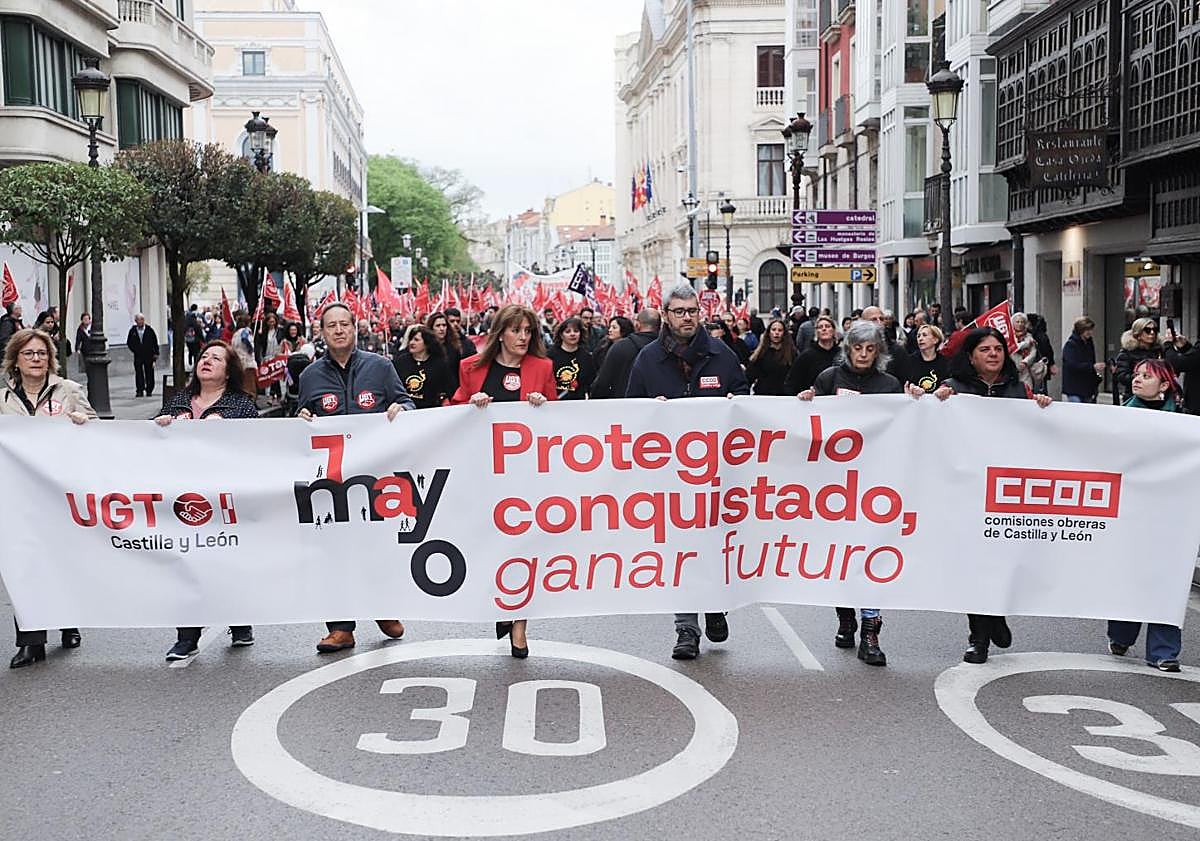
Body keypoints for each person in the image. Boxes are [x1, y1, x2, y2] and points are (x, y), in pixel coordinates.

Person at [625, 283, 749, 661]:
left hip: (715, 474)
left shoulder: (721, 355)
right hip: (669, 476)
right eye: (679, 311)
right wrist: (652, 412)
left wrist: (735, 403)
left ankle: (714, 606)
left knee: (712, 546)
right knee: (680, 552)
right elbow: (629, 410)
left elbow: (744, 398)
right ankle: (686, 629)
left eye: (692, 311)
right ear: (666, 315)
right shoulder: (648, 359)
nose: (687, 317)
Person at [296, 302, 415, 654]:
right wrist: (301, 416)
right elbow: (301, 420)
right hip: (331, 483)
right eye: (330, 325)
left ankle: (383, 610)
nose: (338, 330)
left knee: (376, 547)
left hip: (375, 478)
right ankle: (341, 627)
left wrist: (401, 409)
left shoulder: (380, 367)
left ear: (354, 327)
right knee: (333, 553)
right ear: (322, 332)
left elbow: (406, 403)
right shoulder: (310, 376)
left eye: (343, 324)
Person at [931, 327, 1053, 664]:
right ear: (971, 356)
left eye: (998, 348)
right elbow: (931, 430)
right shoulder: (953, 390)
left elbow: (1039, 433)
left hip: (1006, 494)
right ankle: (978, 636)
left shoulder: (1019, 392)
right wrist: (936, 404)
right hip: (967, 493)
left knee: (1001, 564)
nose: (993, 354)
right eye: (984, 349)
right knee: (973, 566)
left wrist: (1041, 406)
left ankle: (996, 614)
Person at [799, 321, 909, 667]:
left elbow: (904, 428)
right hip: (835, 485)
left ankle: (871, 631)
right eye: (857, 348)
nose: (863, 354)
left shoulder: (889, 385)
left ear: (879, 352)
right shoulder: (829, 380)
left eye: (870, 349)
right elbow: (811, 428)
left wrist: (915, 403)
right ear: (847, 349)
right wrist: (806, 403)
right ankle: (846, 616)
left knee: (872, 554)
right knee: (843, 556)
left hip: (876, 484)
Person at [452, 304, 557, 659]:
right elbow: (454, 412)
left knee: (524, 547)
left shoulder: (542, 368)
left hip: (526, 475)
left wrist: (544, 406)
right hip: (484, 474)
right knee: (491, 545)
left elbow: (559, 421)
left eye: (528, 331)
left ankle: (519, 625)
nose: (523, 338)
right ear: (501, 333)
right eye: (516, 331)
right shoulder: (471, 368)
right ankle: (502, 605)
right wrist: (471, 405)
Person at [155, 341, 259, 660]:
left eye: (216, 358)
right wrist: (159, 429)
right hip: (186, 499)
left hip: (226, 497)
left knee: (227, 559)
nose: (207, 361)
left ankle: (240, 620)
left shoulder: (242, 406)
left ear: (229, 372)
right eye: (203, 357)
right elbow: (150, 445)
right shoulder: (178, 403)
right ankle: (187, 637)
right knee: (187, 564)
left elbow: (258, 450)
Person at [1, 329, 96, 668]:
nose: (36, 359)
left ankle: (69, 621)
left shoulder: (68, 391)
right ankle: (31, 640)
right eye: (29, 354)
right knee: (23, 566)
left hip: (60, 493)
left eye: (42, 353)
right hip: (18, 496)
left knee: (60, 561)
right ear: (16, 359)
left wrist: (83, 423)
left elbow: (98, 430)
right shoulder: (3, 399)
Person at [1106, 359, 1185, 671]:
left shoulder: (1184, 422)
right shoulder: (1121, 416)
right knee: (1131, 573)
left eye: (1146, 376)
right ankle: (1121, 634)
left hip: (1172, 512)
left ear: (1164, 385)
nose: (1137, 379)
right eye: (1136, 375)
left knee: (1169, 577)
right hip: (1131, 508)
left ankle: (1163, 651)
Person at [590, 308, 660, 399]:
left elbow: (603, 382)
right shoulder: (668, 347)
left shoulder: (620, 347)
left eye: (614, 327)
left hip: (624, 406)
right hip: (660, 408)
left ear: (637, 324)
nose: (610, 330)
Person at [392, 325, 450, 409]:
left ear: (426, 343)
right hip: (406, 410)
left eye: (416, 340)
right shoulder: (401, 361)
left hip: (430, 411)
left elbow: (446, 388)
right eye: (411, 339)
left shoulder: (439, 364)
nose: (412, 342)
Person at [1114, 316, 1163, 405]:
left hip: (1158, 397)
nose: (1152, 333)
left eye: (1155, 330)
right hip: (1135, 397)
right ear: (1138, 334)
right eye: (1147, 330)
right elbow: (1121, 376)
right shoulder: (1128, 352)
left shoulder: (1159, 350)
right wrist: (1144, 377)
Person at [784, 314, 838, 394]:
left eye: (827, 326)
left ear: (833, 331)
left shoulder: (841, 354)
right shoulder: (807, 355)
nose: (824, 329)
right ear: (816, 332)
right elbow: (791, 383)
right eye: (820, 327)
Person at [548, 316, 597, 400]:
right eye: (568, 331)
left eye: (576, 331)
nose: (572, 334)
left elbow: (590, 384)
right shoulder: (550, 355)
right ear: (561, 335)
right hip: (554, 404)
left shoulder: (586, 357)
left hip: (577, 405)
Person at [746, 318, 796, 395]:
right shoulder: (761, 353)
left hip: (785, 396)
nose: (776, 333)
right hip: (764, 395)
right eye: (773, 330)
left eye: (780, 330)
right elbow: (749, 376)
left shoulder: (792, 353)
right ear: (769, 333)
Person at [1061, 316, 1106, 403]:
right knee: (1076, 409)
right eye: (1087, 330)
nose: (1090, 332)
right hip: (1074, 386)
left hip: (1087, 385)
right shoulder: (1071, 344)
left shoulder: (1089, 342)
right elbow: (1071, 364)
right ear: (1080, 330)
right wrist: (1092, 367)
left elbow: (1091, 360)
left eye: (1091, 329)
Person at [904, 324, 949, 393]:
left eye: (924, 335)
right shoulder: (909, 361)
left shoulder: (945, 362)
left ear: (935, 340)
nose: (920, 339)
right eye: (918, 336)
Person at [126, 313, 159, 398]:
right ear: (135, 321)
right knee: (139, 372)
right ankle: (140, 390)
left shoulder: (149, 330)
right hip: (138, 355)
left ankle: (149, 389)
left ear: (143, 320)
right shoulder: (133, 331)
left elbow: (155, 342)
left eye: (141, 320)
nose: (140, 322)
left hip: (149, 355)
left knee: (149, 372)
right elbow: (129, 342)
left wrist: (156, 353)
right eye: (138, 320)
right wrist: (135, 350)